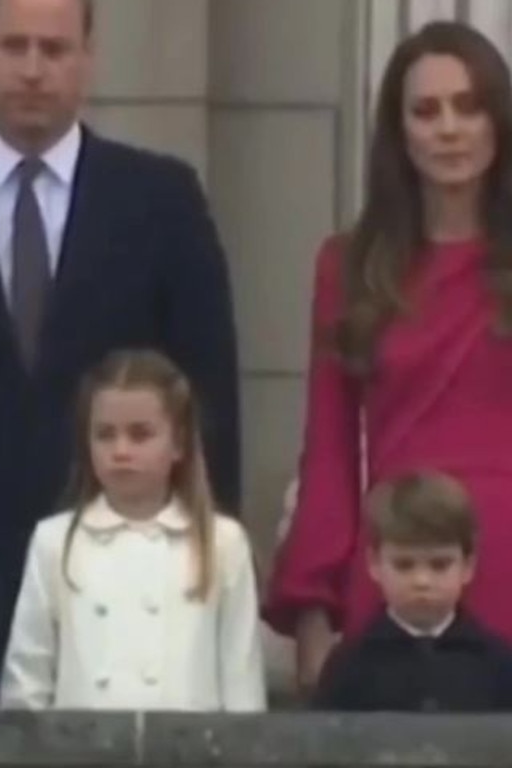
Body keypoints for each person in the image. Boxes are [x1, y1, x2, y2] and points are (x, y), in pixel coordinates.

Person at [0, 0, 240, 667]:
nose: (33, 70)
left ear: (88, 59)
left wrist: (211, 552)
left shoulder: (162, 200)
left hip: (124, 567)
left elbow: (208, 393)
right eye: (16, 47)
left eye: (55, 51)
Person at [263, 20, 512, 693]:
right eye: (426, 111)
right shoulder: (348, 267)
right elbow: (330, 453)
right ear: (399, 132)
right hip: (399, 571)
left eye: (469, 106)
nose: (449, 128)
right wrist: (316, 614)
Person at [0, 349, 264, 711]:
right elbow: (27, 682)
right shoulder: (55, 541)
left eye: (140, 435)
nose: (120, 450)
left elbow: (241, 685)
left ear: (179, 443)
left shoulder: (222, 542)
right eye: (105, 435)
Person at [313, 472, 512, 711]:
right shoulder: (349, 663)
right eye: (404, 565)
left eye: (440, 565)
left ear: (467, 567)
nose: (421, 581)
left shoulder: (498, 663)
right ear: (375, 564)